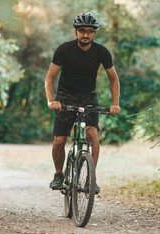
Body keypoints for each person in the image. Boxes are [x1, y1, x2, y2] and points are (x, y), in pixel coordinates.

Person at [44, 12, 121, 194]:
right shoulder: (64, 50)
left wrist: (115, 103)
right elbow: (50, 77)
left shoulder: (101, 52)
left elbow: (113, 79)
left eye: (90, 31)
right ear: (75, 32)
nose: (85, 35)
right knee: (59, 140)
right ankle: (58, 174)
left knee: (92, 134)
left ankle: (91, 179)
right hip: (65, 97)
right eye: (81, 31)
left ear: (94, 33)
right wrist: (51, 100)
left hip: (88, 98)